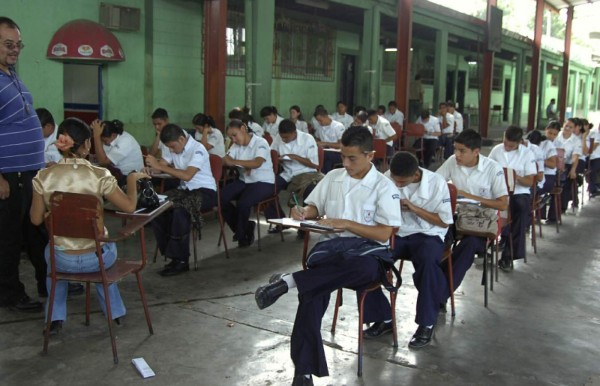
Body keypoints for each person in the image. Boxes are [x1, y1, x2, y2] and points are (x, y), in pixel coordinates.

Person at [254, 126, 402, 385]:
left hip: (366, 255)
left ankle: (290, 282)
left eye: (352, 158)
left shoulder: (383, 186)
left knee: (340, 276)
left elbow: (383, 233)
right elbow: (314, 207)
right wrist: (304, 212)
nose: (345, 163)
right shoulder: (334, 177)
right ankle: (303, 371)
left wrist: (347, 224)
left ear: (371, 155)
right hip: (332, 252)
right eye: (342, 156)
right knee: (314, 289)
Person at [30, 117, 149, 334]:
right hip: (96, 260)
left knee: (52, 259)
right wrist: (132, 180)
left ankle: (54, 319)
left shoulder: (43, 177)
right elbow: (130, 207)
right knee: (106, 253)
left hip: (61, 260)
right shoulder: (100, 175)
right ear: (86, 145)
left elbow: (36, 220)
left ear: (60, 143)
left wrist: (51, 210)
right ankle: (115, 314)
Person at [362, 151, 453, 349]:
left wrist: (414, 208)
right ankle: (382, 318)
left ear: (415, 174)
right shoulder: (387, 178)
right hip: (395, 233)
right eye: (395, 180)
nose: (397, 184)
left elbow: (444, 222)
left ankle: (426, 322)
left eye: (402, 182)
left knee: (428, 263)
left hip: (428, 234)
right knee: (366, 260)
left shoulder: (437, 183)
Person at [0, 17, 45, 312]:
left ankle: (50, 282)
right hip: (9, 176)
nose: (15, 50)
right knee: (9, 239)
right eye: (7, 44)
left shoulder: (11, 75)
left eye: (18, 44)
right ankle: (9, 293)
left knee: (35, 232)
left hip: (28, 173)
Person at [436, 130, 508, 300]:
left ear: (476, 152)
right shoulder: (452, 162)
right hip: (457, 217)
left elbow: (503, 203)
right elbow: (434, 182)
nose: (456, 154)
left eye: (462, 151)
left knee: (468, 246)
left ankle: (441, 295)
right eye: (455, 149)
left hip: (481, 222)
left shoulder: (492, 168)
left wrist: (468, 196)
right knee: (433, 243)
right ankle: (436, 287)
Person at [144, 124, 216, 276]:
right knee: (157, 207)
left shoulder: (198, 149)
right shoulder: (174, 145)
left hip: (206, 192)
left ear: (182, 139)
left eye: (172, 147)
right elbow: (161, 165)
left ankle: (182, 260)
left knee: (181, 210)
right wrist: (151, 168)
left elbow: (187, 175)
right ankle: (172, 254)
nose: (171, 150)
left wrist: (161, 167)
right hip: (185, 191)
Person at [487, 126, 536, 270]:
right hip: (497, 191)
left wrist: (514, 177)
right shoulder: (496, 150)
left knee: (520, 209)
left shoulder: (527, 154)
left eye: (511, 145)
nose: (507, 147)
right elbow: (486, 169)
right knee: (482, 206)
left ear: (520, 142)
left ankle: (508, 256)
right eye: (505, 143)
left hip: (518, 192)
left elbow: (529, 181)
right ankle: (482, 245)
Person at [221, 119, 275, 248]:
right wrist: (244, 163)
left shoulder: (260, 142)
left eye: (234, 135)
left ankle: (241, 234)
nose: (233, 139)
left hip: (263, 182)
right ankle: (245, 228)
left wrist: (236, 162)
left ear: (243, 129)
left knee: (243, 203)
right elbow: (225, 160)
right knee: (219, 198)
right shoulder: (235, 145)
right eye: (230, 137)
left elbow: (257, 163)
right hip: (244, 180)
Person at [266, 119, 323, 234]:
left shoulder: (307, 139)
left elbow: (315, 164)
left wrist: (295, 157)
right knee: (266, 189)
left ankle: (304, 228)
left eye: (286, 137)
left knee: (310, 191)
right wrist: (278, 158)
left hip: (307, 173)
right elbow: (272, 153)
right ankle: (279, 220)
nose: (284, 140)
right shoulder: (278, 137)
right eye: (282, 137)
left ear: (294, 132)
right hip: (287, 174)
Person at [91, 118, 144, 185]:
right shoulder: (108, 138)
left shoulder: (125, 141)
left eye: (105, 141)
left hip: (132, 179)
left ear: (113, 135)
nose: (103, 143)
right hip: (117, 175)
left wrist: (96, 137)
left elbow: (103, 162)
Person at [313, 108, 345, 173]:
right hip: (325, 152)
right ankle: (323, 176)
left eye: (320, 120)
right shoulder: (320, 128)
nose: (319, 122)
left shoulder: (338, 126)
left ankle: (324, 176)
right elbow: (317, 138)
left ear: (326, 116)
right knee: (319, 155)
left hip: (338, 153)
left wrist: (325, 143)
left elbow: (341, 145)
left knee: (324, 155)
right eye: (317, 121)